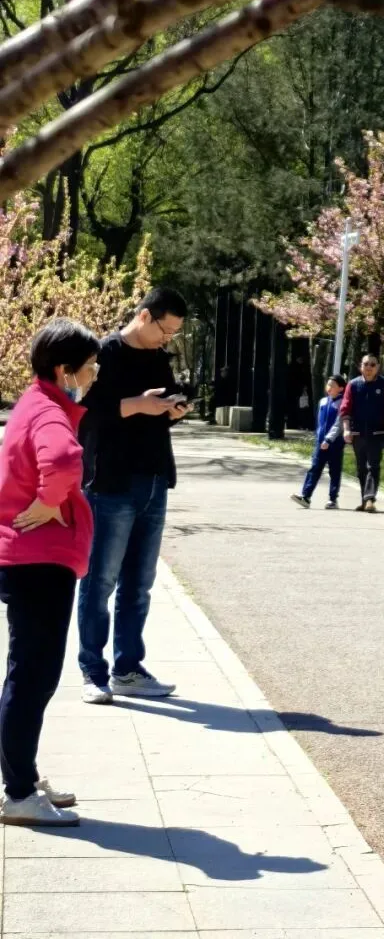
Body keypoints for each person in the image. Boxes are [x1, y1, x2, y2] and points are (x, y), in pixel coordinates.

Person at [0, 319, 99, 825]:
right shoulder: (48, 411)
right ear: (65, 370)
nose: (94, 373)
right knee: (32, 676)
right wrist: (50, 500)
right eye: (90, 365)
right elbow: (61, 460)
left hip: (30, 559)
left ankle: (22, 775)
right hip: (38, 561)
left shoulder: (36, 402)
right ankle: (18, 793)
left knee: (31, 674)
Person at [77, 287, 190, 706]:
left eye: (174, 333)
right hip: (111, 483)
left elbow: (156, 414)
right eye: (165, 330)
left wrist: (173, 411)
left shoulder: (159, 358)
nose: (167, 339)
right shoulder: (102, 354)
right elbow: (87, 415)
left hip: (155, 479)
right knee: (99, 581)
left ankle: (128, 669)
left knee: (139, 585)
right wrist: (138, 405)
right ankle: (93, 671)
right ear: (144, 316)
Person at [327, 354, 384, 514]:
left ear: (378, 367)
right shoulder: (353, 385)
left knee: (373, 465)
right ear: (361, 366)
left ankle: (370, 499)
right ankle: (364, 500)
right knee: (361, 468)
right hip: (357, 431)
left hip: (378, 431)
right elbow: (345, 408)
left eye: (373, 364)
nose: (369, 367)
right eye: (366, 364)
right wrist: (346, 429)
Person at [292, 374, 346, 509]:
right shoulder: (322, 401)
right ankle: (306, 496)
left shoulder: (343, 403)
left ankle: (333, 499)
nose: (329, 387)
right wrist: (318, 436)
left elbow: (339, 425)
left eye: (333, 385)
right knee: (314, 468)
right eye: (328, 384)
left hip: (335, 443)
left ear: (341, 388)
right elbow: (319, 423)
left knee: (334, 471)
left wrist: (329, 439)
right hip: (320, 442)